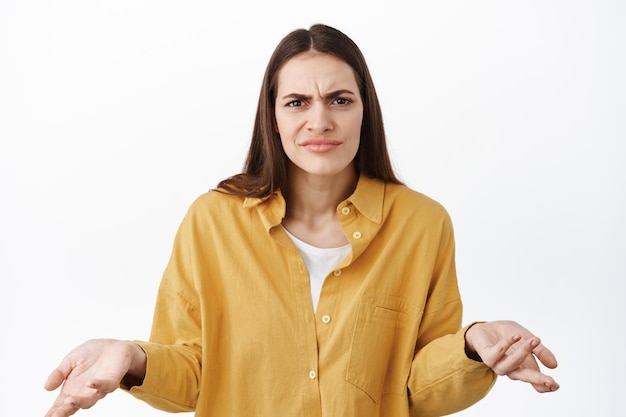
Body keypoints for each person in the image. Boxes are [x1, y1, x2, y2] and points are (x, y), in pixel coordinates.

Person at [44, 24, 559, 417]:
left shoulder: (422, 224)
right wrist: (130, 356)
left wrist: (472, 345)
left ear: (365, 112)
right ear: (273, 116)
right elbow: (194, 374)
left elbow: (418, 389)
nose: (320, 121)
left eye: (340, 99)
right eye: (297, 102)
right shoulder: (212, 220)